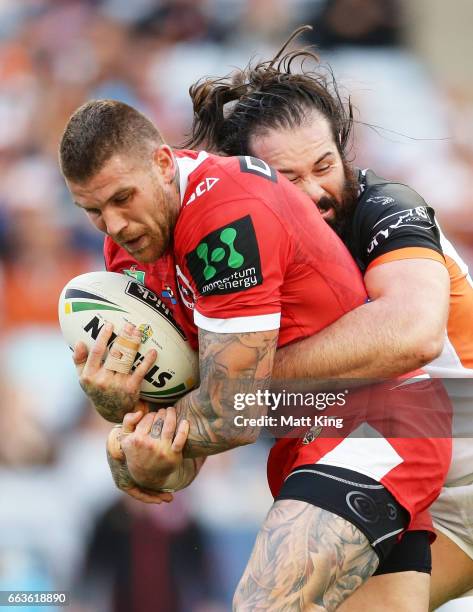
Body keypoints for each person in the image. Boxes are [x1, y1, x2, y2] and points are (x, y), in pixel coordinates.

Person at [59, 98, 451, 611]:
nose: (114, 226)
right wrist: (130, 437)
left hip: (381, 423)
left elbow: (228, 415)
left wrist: (149, 437)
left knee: (261, 604)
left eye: (123, 198)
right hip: (304, 445)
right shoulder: (131, 254)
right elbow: (177, 460)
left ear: (161, 162)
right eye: (93, 211)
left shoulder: (223, 215)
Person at [183, 27, 473, 611]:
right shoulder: (230, 261)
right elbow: (221, 417)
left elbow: (412, 335)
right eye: (287, 180)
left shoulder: (388, 207)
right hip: (396, 468)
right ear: (246, 183)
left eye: (324, 165)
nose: (315, 191)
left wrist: (241, 378)